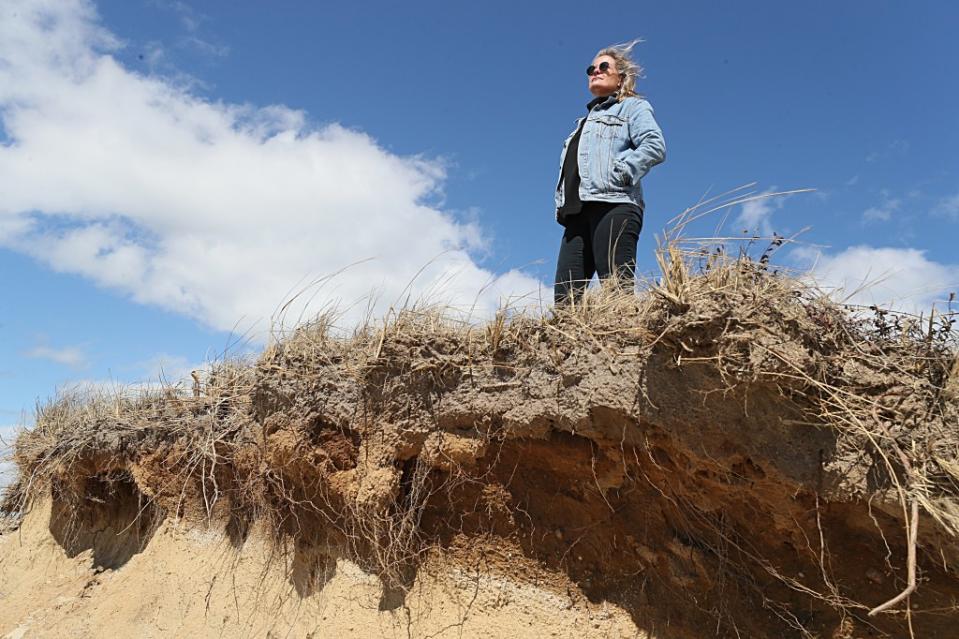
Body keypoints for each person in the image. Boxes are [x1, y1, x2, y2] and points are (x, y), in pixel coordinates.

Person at [554, 41, 666, 305]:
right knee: (564, 301)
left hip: (614, 204)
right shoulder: (582, 123)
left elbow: (654, 145)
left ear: (622, 78)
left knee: (616, 289)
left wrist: (623, 173)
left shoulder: (633, 108)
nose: (595, 71)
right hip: (577, 213)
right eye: (591, 68)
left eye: (604, 66)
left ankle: (625, 343)